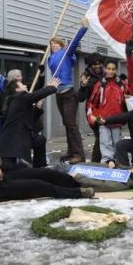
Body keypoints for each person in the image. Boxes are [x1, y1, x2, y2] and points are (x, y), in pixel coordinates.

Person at [0, 78, 60, 167]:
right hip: (14, 138)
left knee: (40, 140)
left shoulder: (17, 101)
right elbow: (37, 94)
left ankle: (39, 167)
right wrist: (51, 87)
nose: (25, 86)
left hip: (20, 136)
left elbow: (28, 121)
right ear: (17, 89)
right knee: (9, 169)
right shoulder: (19, 97)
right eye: (22, 85)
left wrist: (37, 107)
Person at [48, 17, 88, 164]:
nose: (53, 45)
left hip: (69, 93)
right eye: (51, 44)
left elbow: (74, 43)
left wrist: (83, 28)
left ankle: (79, 154)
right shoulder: (50, 58)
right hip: (58, 93)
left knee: (71, 124)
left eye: (55, 43)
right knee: (67, 124)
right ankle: (71, 152)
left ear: (61, 44)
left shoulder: (65, 52)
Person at [87, 60, 128, 164]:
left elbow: (128, 101)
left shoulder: (121, 84)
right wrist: (94, 118)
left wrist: (125, 117)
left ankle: (117, 164)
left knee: (117, 144)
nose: (111, 71)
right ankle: (107, 163)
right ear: (104, 69)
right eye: (108, 68)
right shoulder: (100, 84)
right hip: (103, 120)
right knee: (105, 144)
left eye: (113, 69)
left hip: (117, 120)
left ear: (116, 70)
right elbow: (92, 103)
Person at [77, 53, 105, 162]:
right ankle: (96, 162)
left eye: (99, 64)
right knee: (100, 136)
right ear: (90, 65)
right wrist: (83, 86)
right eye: (94, 64)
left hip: (107, 110)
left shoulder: (106, 74)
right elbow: (80, 98)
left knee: (104, 137)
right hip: (93, 111)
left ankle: (103, 161)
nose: (97, 66)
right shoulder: (87, 77)